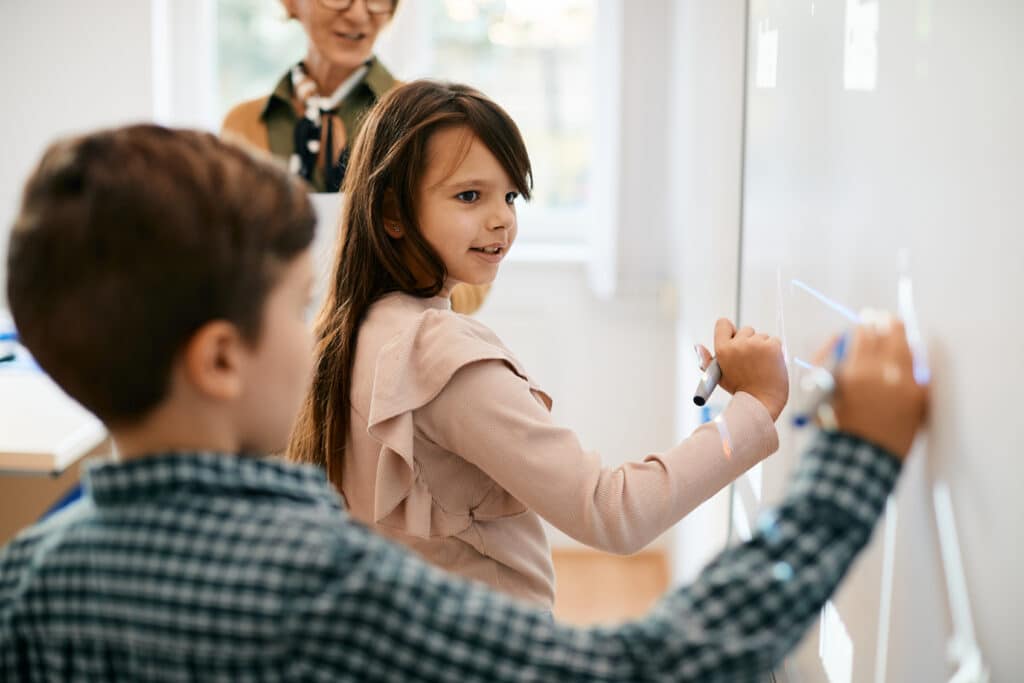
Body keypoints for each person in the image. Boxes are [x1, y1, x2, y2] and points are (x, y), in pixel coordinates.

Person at [0, 124, 925, 681]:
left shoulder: (31, 576)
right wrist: (851, 461)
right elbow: (645, 652)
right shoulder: (320, 581)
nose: (501, 219)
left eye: (509, 195)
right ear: (218, 359)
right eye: (291, 305)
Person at [288, 80, 791, 609]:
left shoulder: (356, 328)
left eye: (509, 195)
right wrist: (756, 408)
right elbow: (612, 512)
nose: (502, 218)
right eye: (468, 196)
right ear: (392, 212)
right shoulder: (440, 357)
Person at [221, 0, 488, 314]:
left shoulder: (429, 119)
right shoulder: (243, 125)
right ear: (291, 4)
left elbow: (472, 283)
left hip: (386, 345)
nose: (359, 14)